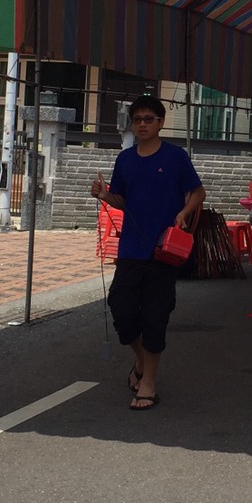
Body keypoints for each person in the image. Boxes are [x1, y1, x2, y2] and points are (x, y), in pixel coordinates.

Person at [90, 95, 205, 410]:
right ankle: (141, 362)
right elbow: (122, 200)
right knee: (122, 310)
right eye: (137, 119)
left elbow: (198, 191)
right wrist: (105, 195)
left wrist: (184, 213)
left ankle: (149, 383)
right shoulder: (125, 160)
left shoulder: (176, 157)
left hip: (164, 251)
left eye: (148, 119)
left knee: (155, 317)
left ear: (161, 123)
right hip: (131, 249)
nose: (141, 124)